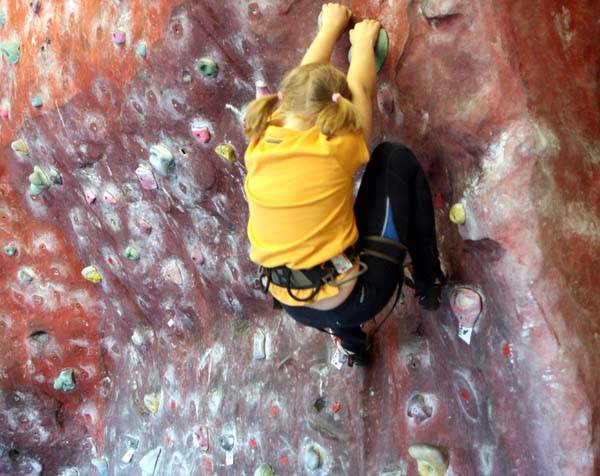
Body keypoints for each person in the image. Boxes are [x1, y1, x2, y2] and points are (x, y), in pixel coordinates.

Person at [243, 3, 444, 366]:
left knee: (319, 236)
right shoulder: (335, 145)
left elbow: (302, 80)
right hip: (361, 294)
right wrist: (364, 45)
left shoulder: (259, 141)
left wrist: (328, 29)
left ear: (280, 104)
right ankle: (429, 281)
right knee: (395, 158)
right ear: (336, 114)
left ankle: (353, 345)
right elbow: (362, 88)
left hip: (294, 306)